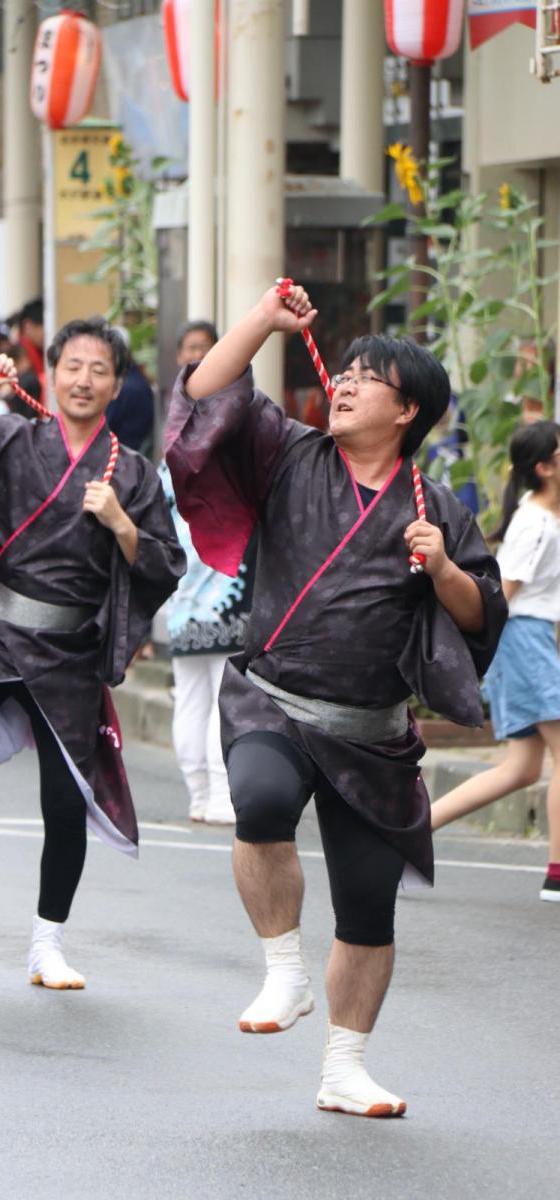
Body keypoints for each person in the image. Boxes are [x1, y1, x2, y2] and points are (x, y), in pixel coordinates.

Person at [165, 284, 506, 1117]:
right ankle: (282, 971)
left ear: (408, 409)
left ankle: (343, 1069)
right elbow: (204, 397)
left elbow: (480, 617)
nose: (343, 384)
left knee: (367, 909)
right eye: (342, 371)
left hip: (372, 732)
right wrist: (262, 322)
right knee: (260, 798)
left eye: (367, 378)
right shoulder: (286, 451)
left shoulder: (436, 509)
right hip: (271, 700)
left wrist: (444, 569)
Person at [0, 318, 185, 990]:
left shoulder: (132, 475)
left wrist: (120, 523)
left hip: (69, 652)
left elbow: (166, 565)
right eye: (72, 365)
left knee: (62, 802)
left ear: (117, 384)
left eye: (99, 369)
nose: (83, 379)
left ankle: (46, 945)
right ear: (49, 372)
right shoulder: (7, 437)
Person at [431, 421, 560, 902]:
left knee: (522, 769)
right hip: (522, 639)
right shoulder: (536, 525)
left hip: (529, 639)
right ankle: (557, 874)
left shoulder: (543, 516)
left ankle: (410, 835)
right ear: (545, 468)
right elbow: (499, 600)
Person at [160, 318, 254, 825]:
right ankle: (218, 796)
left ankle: (200, 794)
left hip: (184, 597)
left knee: (192, 698)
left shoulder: (169, 456)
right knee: (221, 699)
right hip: (227, 595)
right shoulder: (235, 452)